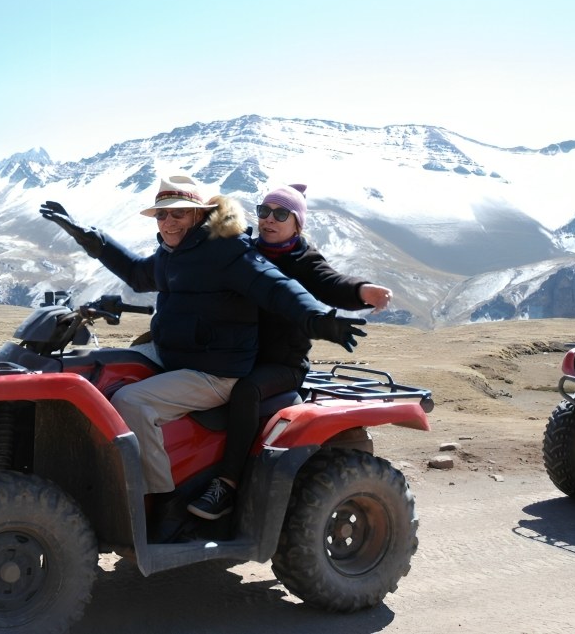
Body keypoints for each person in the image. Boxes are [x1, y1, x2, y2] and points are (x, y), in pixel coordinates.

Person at [40, 174, 367, 500]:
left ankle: (154, 499)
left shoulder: (227, 251)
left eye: (178, 212)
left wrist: (318, 320)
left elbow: (276, 288)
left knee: (132, 402)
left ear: (198, 214)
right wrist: (93, 240)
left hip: (215, 369)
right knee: (98, 369)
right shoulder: (175, 250)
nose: (168, 222)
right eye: (162, 214)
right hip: (176, 353)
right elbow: (138, 274)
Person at [187, 183, 393, 520]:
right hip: (236, 355)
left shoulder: (304, 260)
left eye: (281, 214)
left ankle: (227, 484)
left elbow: (330, 282)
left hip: (282, 364)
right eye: (264, 211)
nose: (269, 219)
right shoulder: (246, 252)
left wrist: (360, 291)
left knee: (246, 391)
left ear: (297, 223)